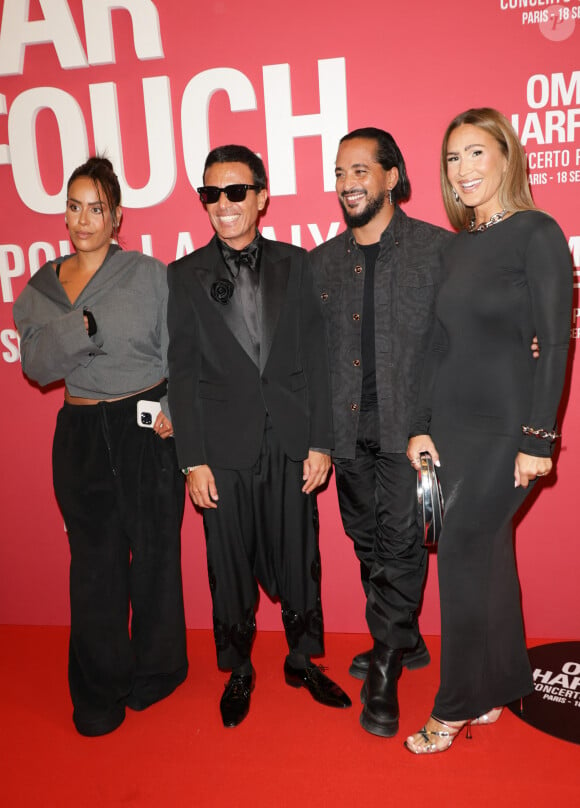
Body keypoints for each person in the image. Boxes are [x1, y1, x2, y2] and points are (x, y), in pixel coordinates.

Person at [404, 108, 572, 754]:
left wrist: (538, 438)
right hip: (450, 429)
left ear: (507, 157)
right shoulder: (454, 247)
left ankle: (453, 707)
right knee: (488, 552)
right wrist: (418, 427)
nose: (464, 170)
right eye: (453, 158)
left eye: (477, 153)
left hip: (508, 428)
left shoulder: (539, 234)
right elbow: (433, 347)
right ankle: (502, 684)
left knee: (466, 551)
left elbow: (555, 343)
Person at [166, 144, 351, 728]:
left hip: (292, 440)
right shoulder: (184, 275)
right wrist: (192, 460)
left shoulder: (299, 265)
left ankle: (301, 660)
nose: (223, 205)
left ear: (262, 196)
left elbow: (318, 361)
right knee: (227, 561)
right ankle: (239, 668)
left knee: (301, 555)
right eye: (211, 194)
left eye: (236, 191)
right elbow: (184, 373)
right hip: (221, 449)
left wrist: (321, 441)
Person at [13, 157, 188, 737]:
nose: (82, 219)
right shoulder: (41, 288)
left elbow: (178, 351)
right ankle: (97, 692)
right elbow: (37, 366)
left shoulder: (148, 273)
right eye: (73, 206)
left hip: (146, 430)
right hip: (82, 437)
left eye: (95, 208)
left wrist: (173, 410)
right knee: (94, 568)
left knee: (157, 556)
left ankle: (159, 673)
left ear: (117, 217)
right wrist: (80, 328)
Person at [310, 128, 452, 738]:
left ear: (392, 177)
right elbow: (311, 359)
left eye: (362, 170)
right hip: (348, 436)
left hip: (410, 433)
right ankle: (404, 639)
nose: (348, 183)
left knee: (399, 548)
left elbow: (471, 334)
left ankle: (386, 668)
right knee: (366, 543)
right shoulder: (322, 263)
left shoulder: (438, 251)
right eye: (341, 172)